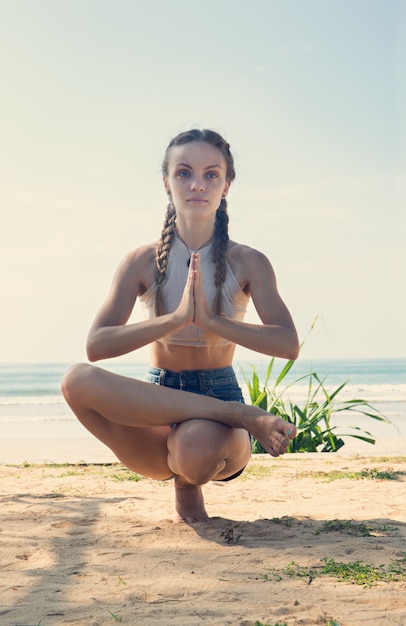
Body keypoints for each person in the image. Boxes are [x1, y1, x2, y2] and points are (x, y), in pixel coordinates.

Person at [61, 128, 299, 523]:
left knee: (194, 447)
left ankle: (209, 453)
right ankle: (245, 416)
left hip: (218, 407)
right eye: (184, 173)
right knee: (75, 380)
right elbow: (97, 345)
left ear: (227, 185)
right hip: (158, 404)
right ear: (166, 182)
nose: (197, 185)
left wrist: (211, 321)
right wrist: (174, 320)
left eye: (211, 174)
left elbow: (287, 343)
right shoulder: (140, 261)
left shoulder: (249, 262)